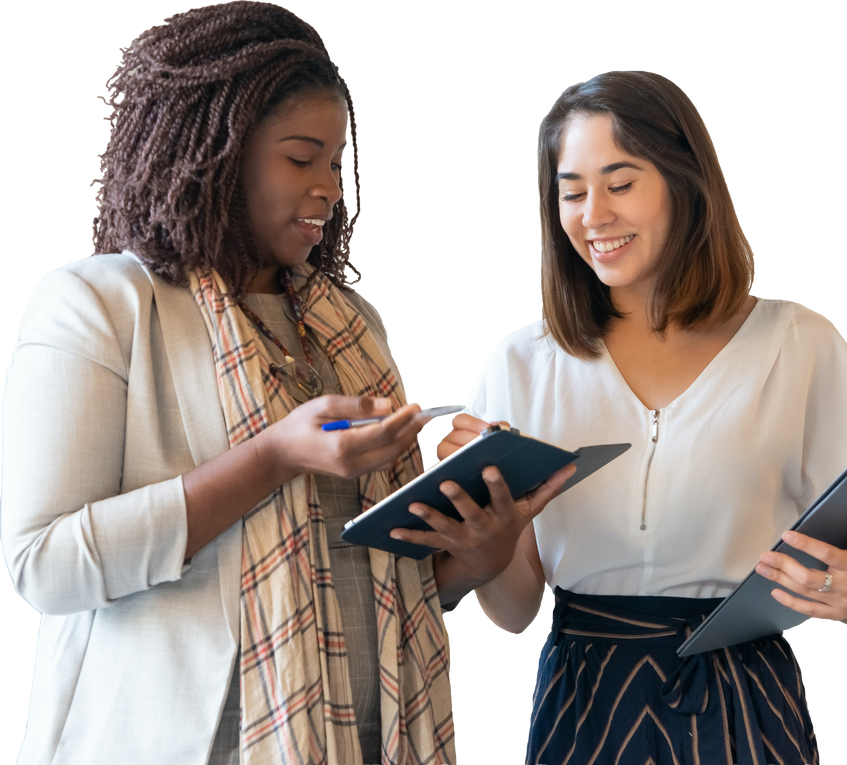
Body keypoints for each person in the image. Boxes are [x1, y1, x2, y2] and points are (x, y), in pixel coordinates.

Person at [0, 3, 575, 764]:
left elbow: (380, 576)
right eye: (301, 158)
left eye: (334, 162)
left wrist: (476, 551)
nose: (328, 188)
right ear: (215, 150)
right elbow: (46, 563)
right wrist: (273, 457)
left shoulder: (345, 325)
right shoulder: (98, 304)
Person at [392, 70, 847, 764]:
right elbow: (513, 610)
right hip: (583, 698)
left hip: (743, 693)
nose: (592, 214)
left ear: (686, 183)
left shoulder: (802, 347)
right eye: (571, 191)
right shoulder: (523, 362)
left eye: (620, 183)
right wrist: (488, 542)